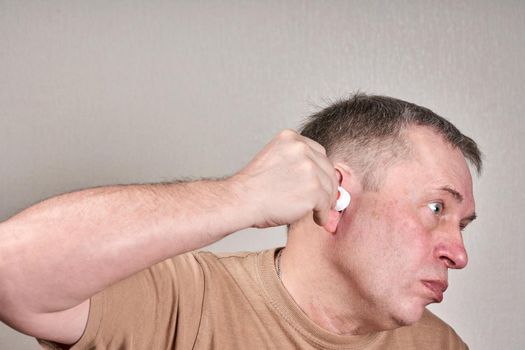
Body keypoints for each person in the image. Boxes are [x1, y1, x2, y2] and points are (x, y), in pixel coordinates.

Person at [0, 94, 481, 349]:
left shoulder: (438, 345)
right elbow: (10, 271)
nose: (458, 254)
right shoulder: (185, 302)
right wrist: (241, 196)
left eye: (462, 225)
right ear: (336, 197)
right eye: (437, 208)